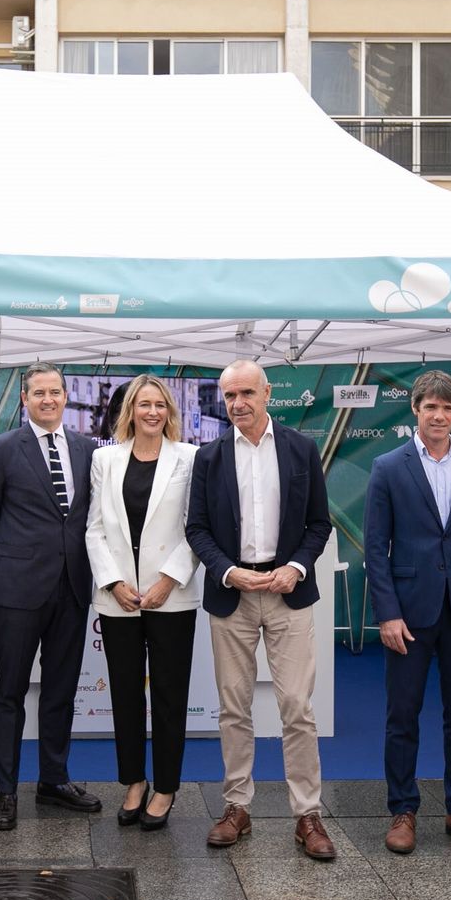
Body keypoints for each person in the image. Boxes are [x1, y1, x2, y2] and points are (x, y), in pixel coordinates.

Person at [186, 359, 336, 861]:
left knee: (297, 706)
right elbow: (197, 530)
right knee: (233, 707)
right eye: (229, 396)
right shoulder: (207, 458)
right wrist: (228, 571)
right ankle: (237, 807)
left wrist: (295, 566)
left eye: (247, 393)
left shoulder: (301, 449)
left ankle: (307, 815)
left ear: (268, 392)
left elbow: (319, 524)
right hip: (233, 594)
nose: (238, 404)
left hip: (287, 590)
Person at [364, 370, 451, 856]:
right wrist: (387, 614)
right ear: (416, 411)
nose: (440, 415)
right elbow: (374, 548)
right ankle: (402, 810)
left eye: (448, 408)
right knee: (402, 716)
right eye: (431, 407)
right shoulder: (387, 467)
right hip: (409, 613)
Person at [0, 362, 102, 831]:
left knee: (62, 689)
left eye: (55, 392)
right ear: (24, 399)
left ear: (66, 398)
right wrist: (13, 560)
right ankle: (5, 792)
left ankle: (54, 780)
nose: (48, 400)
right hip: (18, 592)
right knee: (9, 692)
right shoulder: (2, 449)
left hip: (71, 588)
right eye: (38, 393)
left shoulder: (89, 450)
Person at [86, 374, 201, 831]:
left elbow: (198, 526)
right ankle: (133, 782)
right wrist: (113, 582)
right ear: (129, 410)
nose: (151, 412)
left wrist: (169, 580)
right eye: (143, 404)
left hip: (170, 597)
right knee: (126, 695)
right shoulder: (104, 459)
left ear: (169, 412)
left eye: (159, 405)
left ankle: (167, 787)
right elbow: (95, 527)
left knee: (171, 697)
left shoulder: (190, 458)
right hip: (120, 600)